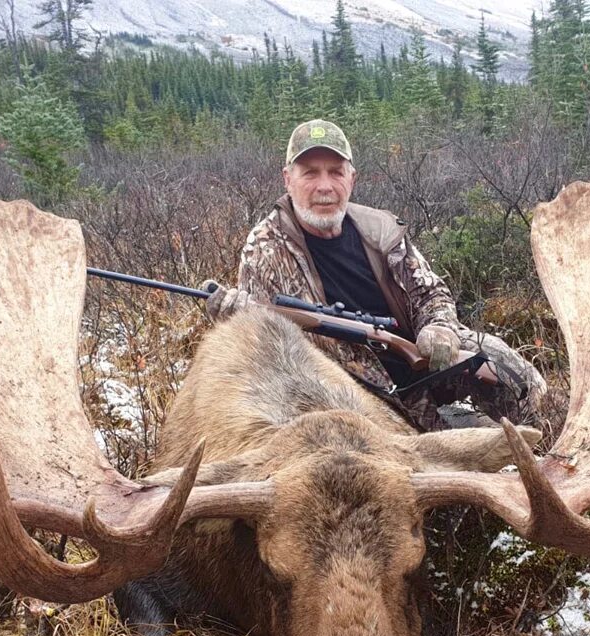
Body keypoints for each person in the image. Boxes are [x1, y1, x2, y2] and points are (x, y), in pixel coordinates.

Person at [205, 119, 546, 431]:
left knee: (508, 371)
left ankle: (550, 445)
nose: (325, 186)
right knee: (430, 454)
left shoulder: (379, 228)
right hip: (343, 390)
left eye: (335, 172)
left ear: (351, 178)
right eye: (310, 173)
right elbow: (268, 353)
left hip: (413, 359)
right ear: (287, 179)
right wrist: (238, 320)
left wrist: (438, 327)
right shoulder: (264, 248)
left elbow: (429, 292)